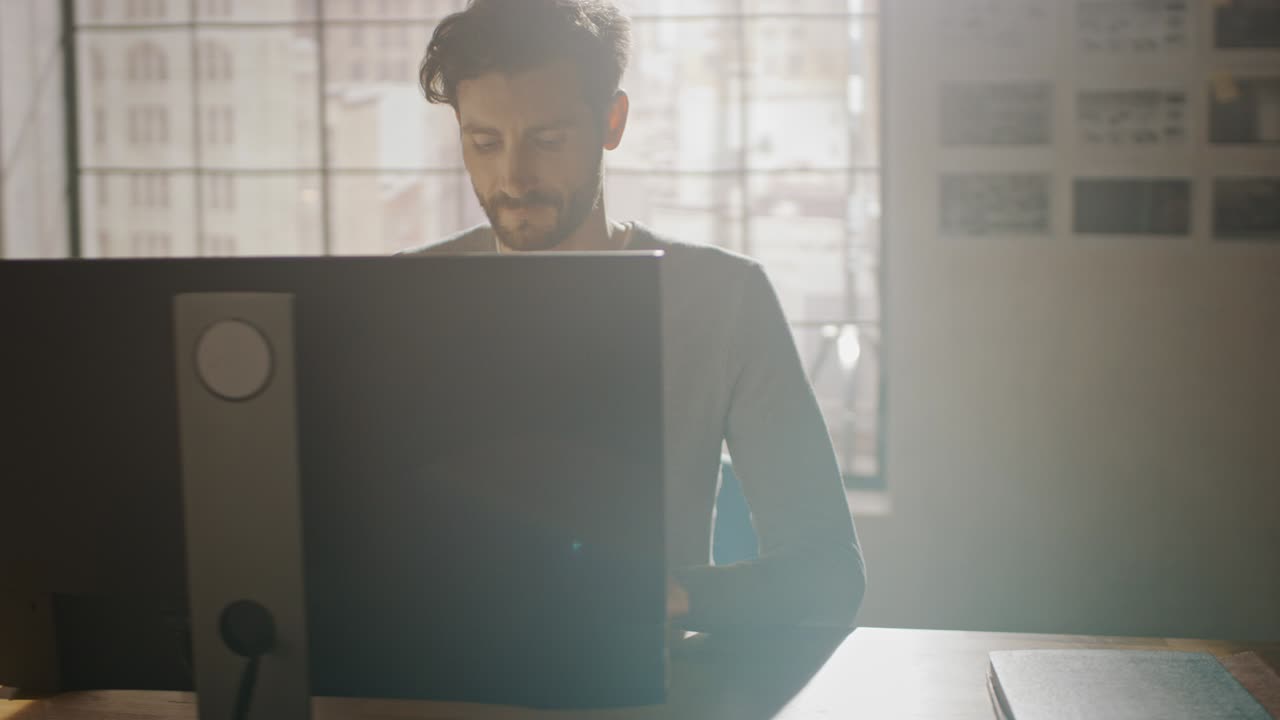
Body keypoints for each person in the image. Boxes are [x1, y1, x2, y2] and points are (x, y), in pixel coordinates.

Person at [402, 0, 866, 631]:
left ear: (611, 121)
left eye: (547, 139)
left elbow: (828, 571)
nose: (513, 176)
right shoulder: (409, 293)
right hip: (436, 672)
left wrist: (664, 600)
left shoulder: (722, 297)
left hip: (642, 680)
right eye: (484, 142)